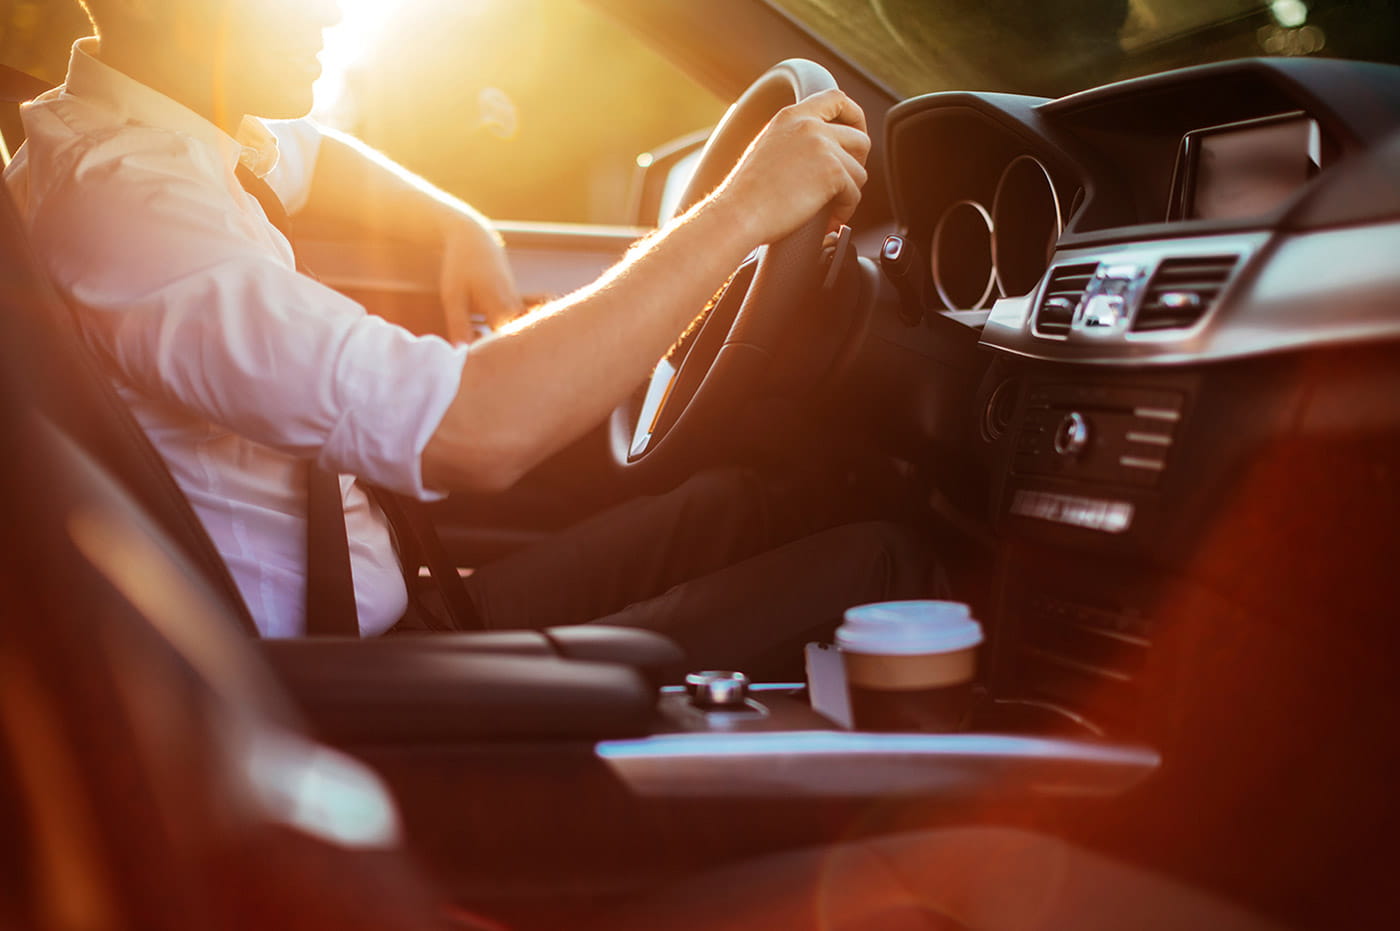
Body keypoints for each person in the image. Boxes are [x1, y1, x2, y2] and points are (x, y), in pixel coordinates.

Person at [5, 0, 928, 674]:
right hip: (346, 696)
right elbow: (475, 428)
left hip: (406, 614)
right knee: (885, 563)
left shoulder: (149, 126)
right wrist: (743, 211)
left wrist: (456, 223)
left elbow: (314, 155)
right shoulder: (135, 208)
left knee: (751, 503)